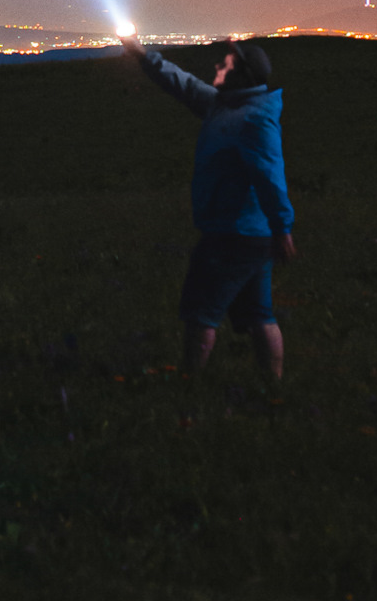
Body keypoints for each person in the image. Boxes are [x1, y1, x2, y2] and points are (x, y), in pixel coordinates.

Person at [119, 32, 296, 381]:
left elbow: (269, 176)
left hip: (233, 234)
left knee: (201, 313)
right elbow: (181, 83)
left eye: (227, 63)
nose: (218, 65)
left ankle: (190, 386)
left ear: (242, 74)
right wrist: (141, 54)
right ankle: (273, 387)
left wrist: (283, 227)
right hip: (248, 233)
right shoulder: (224, 105)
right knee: (260, 314)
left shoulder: (253, 118)